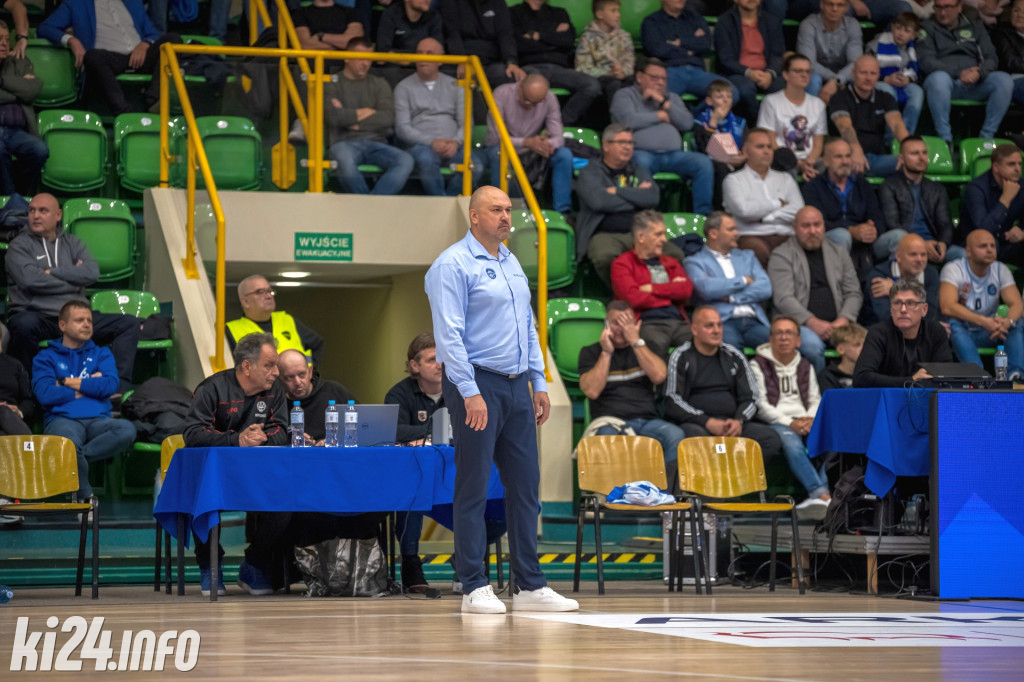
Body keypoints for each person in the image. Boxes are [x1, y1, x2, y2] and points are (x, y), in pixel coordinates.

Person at [424, 185, 578, 614]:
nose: (506, 216)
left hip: (517, 385)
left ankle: (529, 585)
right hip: (477, 383)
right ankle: (473, 585)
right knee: (473, 486)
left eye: (509, 209)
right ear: (474, 216)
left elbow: (527, 325)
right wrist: (469, 391)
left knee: (526, 486)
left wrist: (539, 381)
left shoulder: (510, 261)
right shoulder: (452, 264)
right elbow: (448, 336)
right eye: (496, 210)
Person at [383, 332, 506, 596]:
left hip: (459, 473)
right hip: (418, 475)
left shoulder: (464, 390)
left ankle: (466, 559)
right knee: (410, 495)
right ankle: (411, 564)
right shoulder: (399, 393)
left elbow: (481, 426)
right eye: (431, 360)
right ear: (414, 365)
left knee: (501, 505)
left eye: (443, 359)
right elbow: (391, 431)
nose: (440, 365)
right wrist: (436, 431)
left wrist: (426, 434)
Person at [182, 333, 290, 597]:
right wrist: (237, 439)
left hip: (258, 474)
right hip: (215, 475)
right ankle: (210, 565)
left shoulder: (275, 390)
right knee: (202, 496)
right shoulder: (211, 389)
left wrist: (262, 438)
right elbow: (193, 433)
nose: (277, 372)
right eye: (269, 365)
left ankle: (254, 563)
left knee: (289, 499)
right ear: (247, 366)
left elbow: (282, 430)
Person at [6, 194, 139, 392]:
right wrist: (74, 280)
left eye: (43, 211)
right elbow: (30, 280)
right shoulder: (18, 246)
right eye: (31, 210)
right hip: (39, 315)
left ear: (58, 215)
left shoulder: (73, 243)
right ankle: (31, 393)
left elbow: (91, 273)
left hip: (74, 315)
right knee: (22, 325)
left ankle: (117, 390)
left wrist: (52, 272)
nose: (35, 215)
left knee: (129, 323)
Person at [33, 300, 136, 501]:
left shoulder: (102, 353)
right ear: (62, 325)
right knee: (69, 443)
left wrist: (65, 382)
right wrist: (89, 386)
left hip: (99, 420)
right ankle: (85, 497)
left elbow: (110, 385)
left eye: (89, 320)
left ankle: (75, 461)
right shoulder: (45, 357)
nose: (87, 324)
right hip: (62, 419)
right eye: (80, 320)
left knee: (127, 430)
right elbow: (45, 393)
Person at [578, 300, 687, 482]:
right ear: (606, 325)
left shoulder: (647, 347)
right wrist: (606, 353)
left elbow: (659, 376)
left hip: (647, 421)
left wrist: (636, 342)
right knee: (606, 436)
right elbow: (592, 391)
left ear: (636, 324)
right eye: (616, 323)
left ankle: (665, 494)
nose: (621, 328)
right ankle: (609, 496)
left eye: (626, 322)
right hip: (610, 422)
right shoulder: (591, 352)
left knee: (675, 435)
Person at [664, 306, 782, 458]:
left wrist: (738, 421)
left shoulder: (734, 356)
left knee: (770, 439)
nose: (716, 330)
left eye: (719, 325)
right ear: (694, 329)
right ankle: (719, 471)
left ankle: (735, 472)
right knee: (695, 438)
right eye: (709, 326)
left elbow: (752, 397)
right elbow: (672, 399)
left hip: (731, 424)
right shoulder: (681, 356)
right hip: (698, 424)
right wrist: (706, 421)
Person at [610, 57, 714, 216]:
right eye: (654, 78)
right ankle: (647, 216)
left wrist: (663, 102)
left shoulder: (672, 98)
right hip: (641, 153)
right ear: (640, 77)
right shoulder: (625, 95)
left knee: (703, 163)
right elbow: (627, 121)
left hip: (674, 155)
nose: (660, 82)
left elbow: (687, 123)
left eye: (663, 79)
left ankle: (703, 216)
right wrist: (659, 116)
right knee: (639, 163)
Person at [576, 124, 678, 286]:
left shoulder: (639, 170)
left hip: (642, 232)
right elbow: (599, 202)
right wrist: (637, 197)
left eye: (630, 143)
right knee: (605, 256)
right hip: (606, 233)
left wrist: (617, 191)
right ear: (606, 146)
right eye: (622, 142)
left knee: (675, 254)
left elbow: (652, 198)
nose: (627, 147)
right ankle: (626, 292)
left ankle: (650, 292)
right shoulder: (590, 172)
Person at [37, 0, 180, 115]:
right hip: (108, 58)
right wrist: (71, 40)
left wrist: (145, 44)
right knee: (92, 56)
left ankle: (154, 100)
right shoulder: (76, 3)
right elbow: (45, 27)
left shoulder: (133, 2)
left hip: (140, 56)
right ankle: (124, 112)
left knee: (173, 39)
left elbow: (153, 33)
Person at [749, 315, 831, 513]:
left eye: (789, 333)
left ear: (798, 340)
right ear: (770, 339)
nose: (784, 337)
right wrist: (789, 422)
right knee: (791, 444)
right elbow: (761, 405)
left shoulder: (805, 365)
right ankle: (821, 495)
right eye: (778, 333)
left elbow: (815, 398)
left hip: (806, 419)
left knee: (835, 439)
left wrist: (810, 419)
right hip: (777, 421)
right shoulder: (757, 364)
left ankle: (822, 496)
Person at [768, 205, 864, 372]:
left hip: (839, 324)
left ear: (824, 226)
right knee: (812, 347)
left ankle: (853, 387)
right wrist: (811, 321)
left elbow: (853, 292)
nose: (812, 231)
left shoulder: (839, 252)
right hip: (801, 325)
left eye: (817, 225)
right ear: (795, 228)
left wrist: (844, 319)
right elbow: (783, 298)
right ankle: (818, 388)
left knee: (866, 346)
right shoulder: (781, 255)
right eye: (806, 226)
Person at [325, 38, 415, 196]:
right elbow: (332, 117)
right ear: (346, 58)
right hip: (343, 142)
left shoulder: (379, 84)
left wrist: (351, 120)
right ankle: (369, 205)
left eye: (369, 58)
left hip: (376, 143)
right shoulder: (332, 83)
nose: (365, 63)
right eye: (360, 58)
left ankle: (370, 203)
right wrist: (367, 112)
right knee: (345, 160)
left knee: (406, 160)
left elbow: (387, 118)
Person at [394, 38, 483, 197]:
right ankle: (441, 201)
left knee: (476, 166)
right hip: (421, 146)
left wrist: (456, 142)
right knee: (426, 161)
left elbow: (466, 122)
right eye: (419, 53)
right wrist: (431, 142)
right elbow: (402, 128)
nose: (423, 58)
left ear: (440, 60)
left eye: (429, 53)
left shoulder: (456, 85)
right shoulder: (403, 87)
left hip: (454, 145)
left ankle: (448, 200)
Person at [917, 0, 1013, 143]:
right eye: (938, 7)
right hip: (946, 84)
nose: (943, 12)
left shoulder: (975, 26)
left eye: (948, 7)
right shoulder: (926, 28)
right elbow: (926, 61)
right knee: (938, 78)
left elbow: (991, 57)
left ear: (959, 7)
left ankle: (986, 138)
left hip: (976, 82)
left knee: (1004, 80)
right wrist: (959, 73)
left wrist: (980, 73)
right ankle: (945, 139)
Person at [484, 74, 573, 218]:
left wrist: (546, 144)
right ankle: (500, 211)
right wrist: (526, 142)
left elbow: (558, 136)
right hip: (504, 148)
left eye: (537, 103)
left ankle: (563, 213)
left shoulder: (549, 98)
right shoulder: (502, 93)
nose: (531, 106)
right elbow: (494, 137)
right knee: (497, 153)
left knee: (564, 154)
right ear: (520, 87)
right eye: (528, 100)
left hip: (533, 149)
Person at [939, 229, 1024, 378]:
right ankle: (977, 376)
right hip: (965, 331)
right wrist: (983, 321)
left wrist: (1006, 322)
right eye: (983, 246)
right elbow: (947, 306)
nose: (990, 250)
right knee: (953, 324)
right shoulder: (953, 269)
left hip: (991, 332)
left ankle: (1014, 376)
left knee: (1017, 322)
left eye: (992, 246)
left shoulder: (1000, 269)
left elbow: (1017, 304)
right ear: (968, 251)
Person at [610, 210, 693, 360]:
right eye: (658, 234)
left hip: (679, 322)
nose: (664, 240)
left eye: (664, 234)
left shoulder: (671, 262)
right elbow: (632, 299)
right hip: (647, 323)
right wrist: (670, 293)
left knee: (700, 344)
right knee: (655, 344)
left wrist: (651, 288)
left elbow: (686, 291)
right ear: (641, 237)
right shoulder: (622, 264)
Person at [801, 138, 900, 263]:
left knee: (899, 237)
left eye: (848, 156)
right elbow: (817, 222)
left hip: (865, 241)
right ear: (826, 161)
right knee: (842, 235)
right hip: (832, 239)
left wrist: (873, 229)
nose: (845, 161)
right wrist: (851, 230)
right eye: (838, 157)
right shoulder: (813, 187)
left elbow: (877, 215)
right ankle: (839, 276)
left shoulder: (862, 184)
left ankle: (889, 275)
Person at [684, 211, 773, 350]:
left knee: (781, 344)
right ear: (713, 234)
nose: (737, 233)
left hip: (753, 321)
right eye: (731, 229)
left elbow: (765, 288)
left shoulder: (747, 257)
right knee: (730, 349)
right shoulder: (695, 261)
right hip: (721, 321)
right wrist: (743, 281)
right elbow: (706, 289)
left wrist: (731, 297)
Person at [722, 127, 805, 267]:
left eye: (769, 147)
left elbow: (798, 212)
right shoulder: (733, 180)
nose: (766, 151)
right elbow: (744, 211)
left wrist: (764, 217)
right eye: (760, 147)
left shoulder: (785, 178)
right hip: (751, 235)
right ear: (746, 151)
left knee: (806, 247)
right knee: (757, 251)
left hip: (786, 234)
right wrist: (779, 203)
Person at [511, 0, 601, 126]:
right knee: (536, 85)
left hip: (560, 68)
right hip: (530, 66)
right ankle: (533, 128)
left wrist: (538, 36)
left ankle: (558, 125)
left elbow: (568, 41)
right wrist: (553, 38)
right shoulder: (513, 13)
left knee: (592, 85)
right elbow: (518, 45)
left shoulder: (559, 13)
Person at [854, 279, 953, 386]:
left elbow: (946, 376)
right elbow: (861, 378)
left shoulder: (935, 332)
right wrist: (911, 380)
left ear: (924, 309)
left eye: (910, 303)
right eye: (897, 303)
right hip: (888, 396)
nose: (903, 309)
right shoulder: (878, 333)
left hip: (926, 396)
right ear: (891, 309)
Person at [879, 135, 959, 264]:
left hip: (931, 244)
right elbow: (892, 224)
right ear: (902, 159)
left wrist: (943, 243)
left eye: (924, 153)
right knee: (898, 235)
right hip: (903, 240)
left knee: (961, 255)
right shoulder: (889, 186)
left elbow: (945, 224)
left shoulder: (937, 189)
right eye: (914, 153)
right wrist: (921, 245)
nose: (921, 158)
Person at [828, 55, 910, 178]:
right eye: (863, 73)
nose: (868, 78)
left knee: (911, 162)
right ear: (853, 73)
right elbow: (845, 126)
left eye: (873, 73)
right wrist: (855, 149)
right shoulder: (840, 98)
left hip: (879, 158)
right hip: (849, 158)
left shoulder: (885, 98)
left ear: (878, 75)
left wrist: (909, 148)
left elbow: (897, 124)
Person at [641, 0, 735, 101]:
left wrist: (678, 43)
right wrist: (688, 50)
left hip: (698, 72)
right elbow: (657, 50)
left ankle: (698, 111)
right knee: (657, 98)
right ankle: (682, 110)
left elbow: (705, 44)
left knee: (732, 93)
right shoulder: (651, 22)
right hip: (669, 72)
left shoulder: (696, 18)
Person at [227, 274, 324, 367]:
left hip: (295, 378)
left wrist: (307, 370)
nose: (269, 296)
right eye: (260, 292)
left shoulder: (286, 320)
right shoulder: (231, 330)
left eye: (269, 291)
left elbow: (317, 345)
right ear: (245, 301)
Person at [714, 0, 786, 123]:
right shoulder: (725, 22)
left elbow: (778, 54)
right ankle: (754, 127)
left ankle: (775, 130)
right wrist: (749, 72)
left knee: (785, 86)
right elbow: (725, 59)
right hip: (738, 73)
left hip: (766, 72)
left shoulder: (771, 21)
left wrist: (770, 73)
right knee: (745, 90)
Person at [757, 53, 827, 179]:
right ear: (786, 75)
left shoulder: (818, 104)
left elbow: (818, 143)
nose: (804, 75)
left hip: (809, 160)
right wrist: (798, 163)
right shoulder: (771, 101)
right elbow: (770, 141)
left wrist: (809, 161)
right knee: (785, 163)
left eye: (807, 71)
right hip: (781, 158)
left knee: (830, 165)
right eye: (798, 71)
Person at [0, 20, 47, 197]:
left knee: (40, 150)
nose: (4, 43)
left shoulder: (19, 61)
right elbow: (24, 91)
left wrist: (2, 81)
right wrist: (18, 90)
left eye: (7, 39)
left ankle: (16, 195)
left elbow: (33, 88)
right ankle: (12, 198)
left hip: (17, 131)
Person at [958, 144, 1024, 266]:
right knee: (991, 245)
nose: (1017, 169)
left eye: (1019, 164)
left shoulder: (1021, 185)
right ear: (996, 167)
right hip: (976, 246)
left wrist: (1021, 232)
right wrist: (1005, 200)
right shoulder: (976, 188)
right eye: (1011, 164)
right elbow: (983, 230)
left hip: (1005, 242)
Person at [276, 349, 356, 445]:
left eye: (302, 375)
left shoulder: (334, 392)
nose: (297, 382)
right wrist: (292, 439)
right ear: (279, 378)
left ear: (310, 371)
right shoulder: (276, 402)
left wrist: (332, 441)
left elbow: (362, 429)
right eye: (289, 377)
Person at [441, 0, 525, 88]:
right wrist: (462, 61)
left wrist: (511, 62)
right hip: (464, 59)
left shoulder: (498, 3)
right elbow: (452, 34)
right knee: (445, 75)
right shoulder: (451, 2)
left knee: (509, 74)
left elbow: (505, 35)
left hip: (491, 62)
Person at [867, 12, 925, 133]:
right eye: (898, 28)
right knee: (889, 93)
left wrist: (909, 79)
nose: (901, 33)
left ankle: (906, 136)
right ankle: (890, 137)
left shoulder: (914, 49)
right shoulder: (876, 44)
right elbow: (865, 70)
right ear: (892, 27)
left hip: (903, 83)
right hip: (880, 81)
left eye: (906, 31)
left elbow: (918, 74)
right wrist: (885, 79)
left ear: (914, 35)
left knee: (917, 92)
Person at [797, 0, 863, 100]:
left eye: (840, 5)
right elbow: (808, 63)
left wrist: (838, 80)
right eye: (830, 4)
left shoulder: (852, 25)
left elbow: (855, 63)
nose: (834, 9)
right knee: (812, 79)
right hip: (816, 74)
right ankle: (811, 110)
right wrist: (835, 79)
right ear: (822, 5)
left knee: (861, 76)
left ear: (846, 8)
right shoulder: (808, 25)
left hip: (844, 75)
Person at [575, 0, 636, 102]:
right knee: (614, 83)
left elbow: (630, 62)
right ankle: (617, 112)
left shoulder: (624, 36)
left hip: (622, 76)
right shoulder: (587, 38)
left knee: (635, 81)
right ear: (600, 14)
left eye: (618, 11)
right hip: (601, 78)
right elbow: (582, 68)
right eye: (613, 11)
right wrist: (608, 72)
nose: (618, 15)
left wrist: (623, 72)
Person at [376, 0, 443, 87]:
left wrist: (407, 59)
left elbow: (437, 48)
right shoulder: (391, 13)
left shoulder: (434, 16)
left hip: (424, 63)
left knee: (446, 68)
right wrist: (406, 59)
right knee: (390, 70)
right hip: (398, 66)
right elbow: (383, 50)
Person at [0, 324, 35, 437]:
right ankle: (29, 445)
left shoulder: (15, 365)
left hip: (11, 422)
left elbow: (29, 400)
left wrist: (19, 411)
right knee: (3, 410)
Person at [293, 0, 364, 51]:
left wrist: (321, 36)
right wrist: (342, 45)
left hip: (345, 63)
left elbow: (355, 43)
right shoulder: (300, 13)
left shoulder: (351, 12)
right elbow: (305, 45)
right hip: (312, 62)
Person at [990, 0, 1024, 106]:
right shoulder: (1001, 33)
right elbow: (1011, 62)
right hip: (1013, 79)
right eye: (1016, 10)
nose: (1020, 15)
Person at [818, 321, 866, 390]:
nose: (864, 348)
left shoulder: (871, 375)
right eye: (857, 345)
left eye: (866, 344)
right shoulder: (827, 377)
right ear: (840, 349)